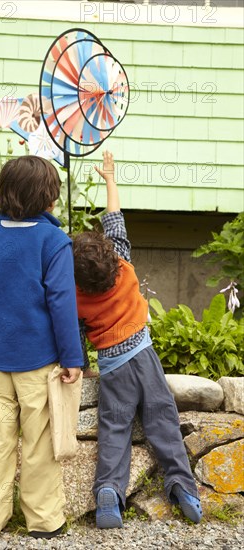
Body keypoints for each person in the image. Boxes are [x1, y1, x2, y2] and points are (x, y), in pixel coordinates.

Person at [73, 151, 203, 529]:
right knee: (163, 419)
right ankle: (183, 486)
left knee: (115, 429)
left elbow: (75, 337)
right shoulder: (124, 260)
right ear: (112, 256)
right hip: (145, 356)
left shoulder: (75, 299)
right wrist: (110, 177)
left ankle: (110, 492)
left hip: (113, 369)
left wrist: (80, 368)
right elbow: (114, 218)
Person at [0, 155, 83, 539]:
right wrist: (72, 357)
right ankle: (44, 521)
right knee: (39, 444)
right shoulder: (54, 242)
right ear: (49, 198)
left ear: (4, 194)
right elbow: (62, 302)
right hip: (39, 363)